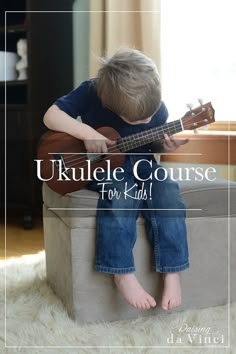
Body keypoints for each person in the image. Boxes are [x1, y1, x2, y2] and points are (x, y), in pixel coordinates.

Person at [43, 47, 190, 311]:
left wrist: (163, 147)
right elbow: (51, 115)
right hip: (101, 165)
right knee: (121, 192)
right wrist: (86, 132)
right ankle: (122, 272)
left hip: (143, 163)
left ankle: (172, 271)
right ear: (109, 102)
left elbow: (152, 143)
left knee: (168, 192)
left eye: (149, 115)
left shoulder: (156, 106)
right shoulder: (92, 91)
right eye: (136, 119)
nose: (146, 119)